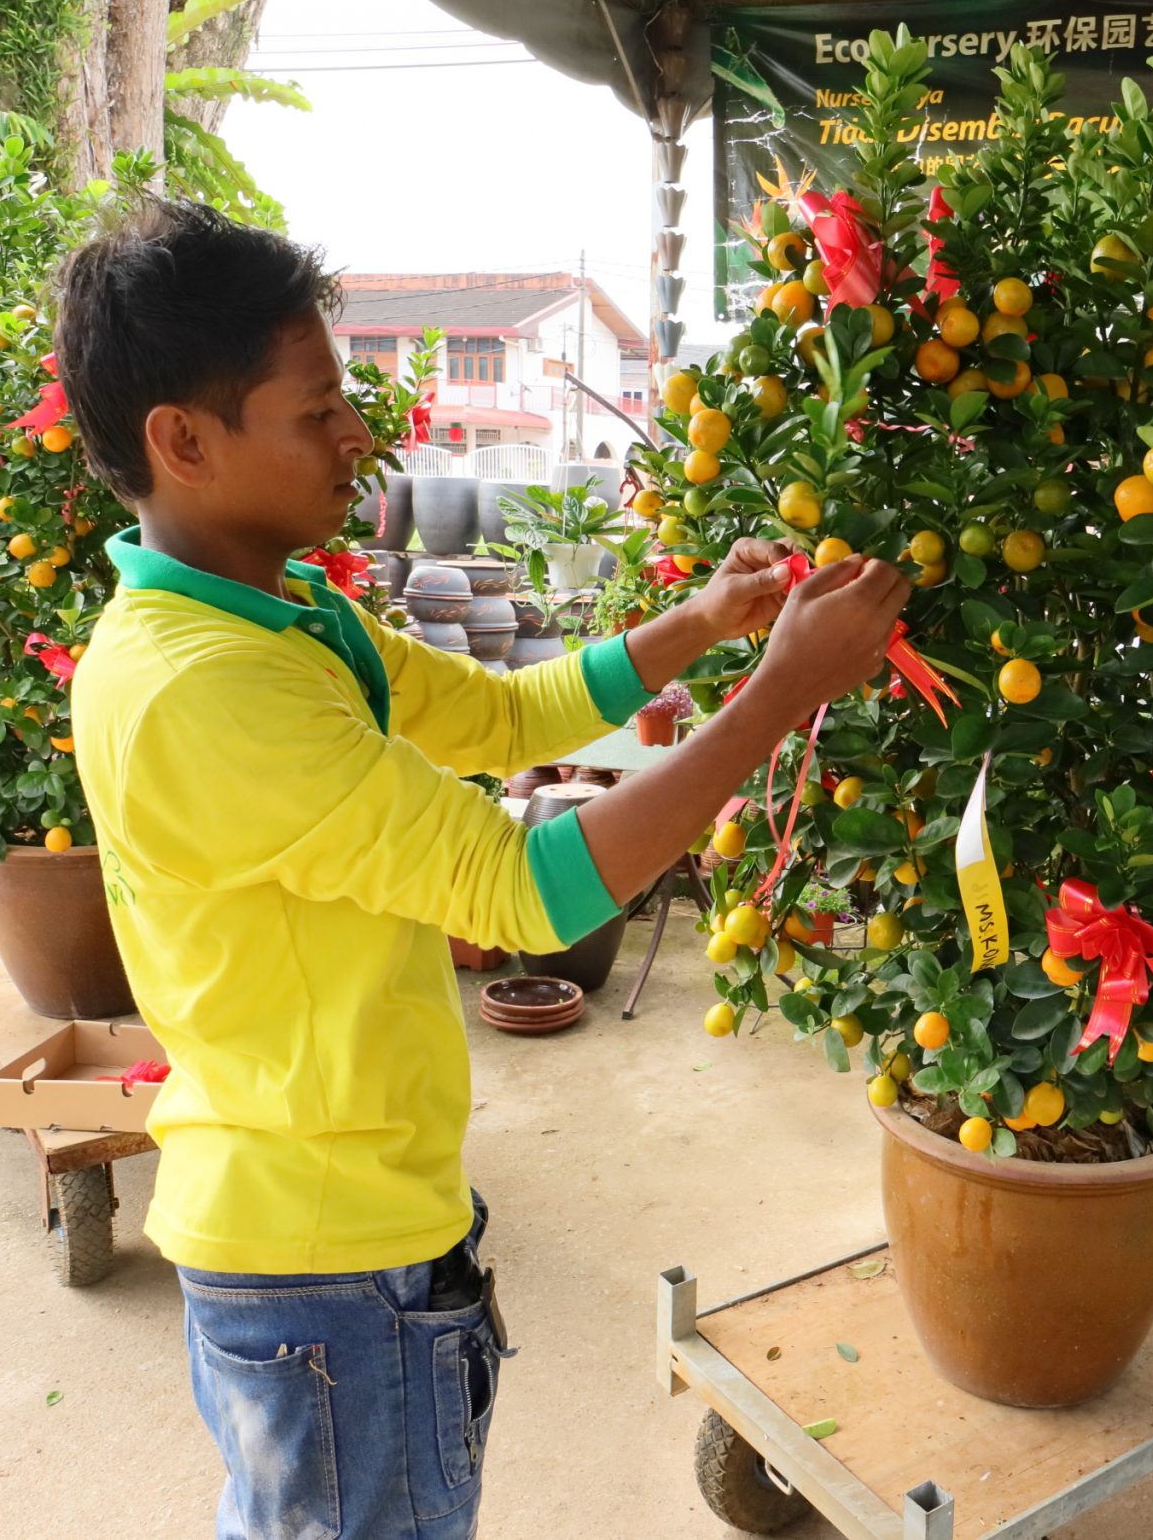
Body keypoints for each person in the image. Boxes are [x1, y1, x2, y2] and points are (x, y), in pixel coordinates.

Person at [58, 201, 908, 1540]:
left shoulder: (284, 616)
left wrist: (699, 626)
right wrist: (779, 696)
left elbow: (502, 718)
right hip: (321, 1258)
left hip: (343, 1225)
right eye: (315, 409)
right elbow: (529, 890)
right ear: (183, 440)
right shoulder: (202, 686)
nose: (356, 436)